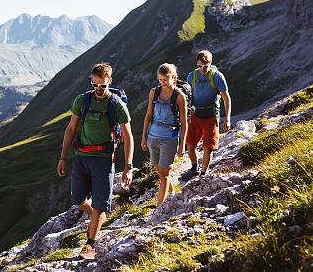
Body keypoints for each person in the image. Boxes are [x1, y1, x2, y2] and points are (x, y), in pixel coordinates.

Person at [57, 62, 134, 260]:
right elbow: (71, 128)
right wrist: (63, 157)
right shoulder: (82, 100)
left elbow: (128, 136)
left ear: (110, 82)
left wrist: (128, 166)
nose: (99, 89)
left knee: (100, 204)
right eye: (95, 85)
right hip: (81, 156)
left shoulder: (117, 105)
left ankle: (90, 245)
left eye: (103, 85)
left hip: (103, 160)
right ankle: (98, 216)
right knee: (78, 200)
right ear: (92, 81)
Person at [141, 63, 187, 206]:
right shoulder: (153, 92)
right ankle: (172, 192)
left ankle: (159, 207)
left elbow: (185, 123)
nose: (162, 83)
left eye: (165, 79)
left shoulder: (180, 96)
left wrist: (182, 145)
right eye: (160, 79)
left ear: (173, 77)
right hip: (152, 136)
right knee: (158, 169)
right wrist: (144, 137)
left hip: (169, 137)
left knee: (165, 174)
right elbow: (148, 116)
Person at [181, 50, 231, 181]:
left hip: (211, 115)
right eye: (199, 66)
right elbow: (188, 96)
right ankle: (194, 168)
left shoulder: (217, 76)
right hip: (195, 114)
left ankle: (203, 173)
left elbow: (226, 98)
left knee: (208, 146)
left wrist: (227, 119)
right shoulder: (192, 76)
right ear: (196, 64)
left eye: (205, 66)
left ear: (210, 63)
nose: (202, 69)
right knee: (191, 145)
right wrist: (188, 109)